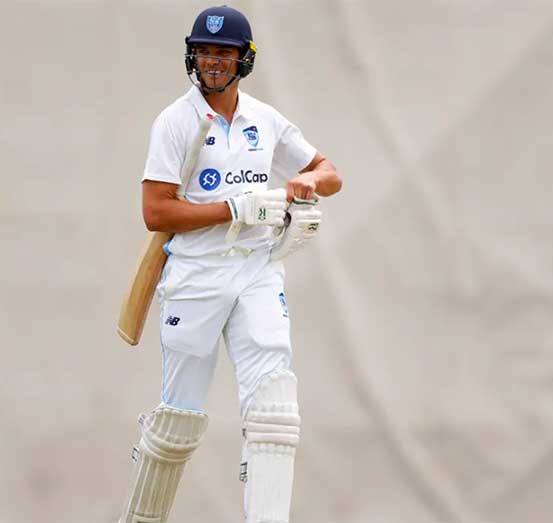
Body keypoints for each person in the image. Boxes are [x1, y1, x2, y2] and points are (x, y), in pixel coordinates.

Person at [115, 5, 341, 523]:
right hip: (196, 275)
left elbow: (330, 173)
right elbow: (155, 212)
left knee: (274, 409)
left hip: (257, 268)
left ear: (245, 59)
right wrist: (232, 209)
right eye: (204, 51)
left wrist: (307, 180)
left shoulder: (266, 119)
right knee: (177, 422)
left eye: (224, 52)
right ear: (191, 56)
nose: (212, 61)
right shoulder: (175, 121)